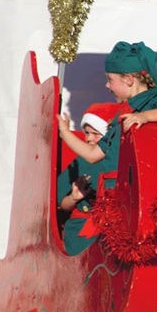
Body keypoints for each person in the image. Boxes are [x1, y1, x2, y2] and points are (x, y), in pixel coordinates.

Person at [58, 41, 157, 192]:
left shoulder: (153, 99)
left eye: (110, 80)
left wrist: (145, 116)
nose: (107, 86)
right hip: (114, 193)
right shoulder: (120, 116)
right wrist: (65, 133)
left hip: (140, 192)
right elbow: (92, 155)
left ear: (128, 80)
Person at [55, 102, 119, 255]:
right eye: (86, 133)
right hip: (80, 231)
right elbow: (62, 205)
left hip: (114, 231)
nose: (89, 138)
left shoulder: (120, 161)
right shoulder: (81, 161)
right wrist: (74, 198)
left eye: (95, 134)